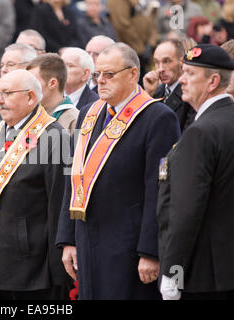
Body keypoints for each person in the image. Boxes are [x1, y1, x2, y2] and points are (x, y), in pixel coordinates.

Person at [56, 43, 181, 299]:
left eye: (109, 74)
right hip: (88, 240)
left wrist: (150, 251)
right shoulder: (87, 114)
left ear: (133, 74)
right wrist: (68, 238)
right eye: (97, 75)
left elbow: (158, 190)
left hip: (128, 246)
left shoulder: (158, 117)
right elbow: (74, 177)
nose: (100, 81)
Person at [157, 44, 234, 300]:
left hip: (203, 272)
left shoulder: (202, 132)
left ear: (212, 81)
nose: (182, 80)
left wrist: (172, 271)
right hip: (233, 268)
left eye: (189, 73)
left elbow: (186, 209)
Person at [0, 69, 71, 300]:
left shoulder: (54, 136)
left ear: (30, 98)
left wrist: (58, 269)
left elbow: (58, 204)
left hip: (33, 264)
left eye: (7, 93)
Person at [143, 39, 196, 132]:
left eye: (166, 61)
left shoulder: (191, 94)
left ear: (181, 61)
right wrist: (148, 94)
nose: (160, 69)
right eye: (156, 62)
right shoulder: (156, 92)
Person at [0, 43, 37, 129]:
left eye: (10, 65)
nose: (3, 70)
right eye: (1, 65)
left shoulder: (32, 98)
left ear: (28, 68)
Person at [27, 53, 79, 133]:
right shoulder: (29, 115)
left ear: (52, 83)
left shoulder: (74, 120)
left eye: (34, 83)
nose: (27, 88)